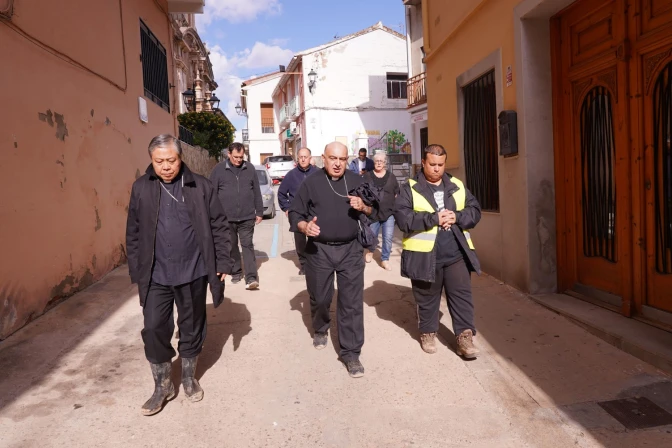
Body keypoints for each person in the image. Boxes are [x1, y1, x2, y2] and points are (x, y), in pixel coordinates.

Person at [126, 134, 232, 416]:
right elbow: (133, 232)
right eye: (159, 161)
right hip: (156, 273)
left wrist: (222, 261)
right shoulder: (141, 188)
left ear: (180, 158)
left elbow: (220, 226)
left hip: (193, 270)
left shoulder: (201, 186)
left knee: (192, 325)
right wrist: (137, 268)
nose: (166, 167)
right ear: (151, 160)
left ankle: (187, 377)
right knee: (153, 328)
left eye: (171, 160)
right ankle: (162, 386)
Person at [289, 141, 374, 378]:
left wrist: (364, 207)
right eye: (333, 158)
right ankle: (320, 327)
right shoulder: (311, 183)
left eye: (342, 159)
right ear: (323, 158)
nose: (337, 164)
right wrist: (304, 225)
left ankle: (352, 353)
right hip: (319, 251)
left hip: (350, 250)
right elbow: (295, 212)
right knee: (320, 296)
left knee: (351, 303)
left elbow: (376, 209)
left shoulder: (357, 181)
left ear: (348, 161)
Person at [394, 144, 482, 358]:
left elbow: (475, 210)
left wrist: (457, 217)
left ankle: (465, 337)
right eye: (432, 164)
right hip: (424, 255)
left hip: (456, 254)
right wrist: (433, 218)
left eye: (440, 165)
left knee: (461, 296)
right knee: (427, 297)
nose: (436, 169)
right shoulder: (410, 188)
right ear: (423, 163)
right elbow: (402, 218)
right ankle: (428, 332)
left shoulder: (457, 185)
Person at [210, 142, 263, 290]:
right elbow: (211, 194)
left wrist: (259, 211)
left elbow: (256, 191)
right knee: (231, 246)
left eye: (241, 157)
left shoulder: (250, 168)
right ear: (228, 154)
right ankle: (236, 272)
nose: (238, 160)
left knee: (247, 245)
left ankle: (251, 277)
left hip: (247, 216)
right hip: (226, 218)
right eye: (235, 157)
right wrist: (212, 214)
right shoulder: (218, 170)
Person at [278, 147, 319, 275]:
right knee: (300, 240)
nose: (302, 159)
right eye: (300, 157)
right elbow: (281, 193)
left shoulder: (318, 173)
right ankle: (304, 265)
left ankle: (316, 262)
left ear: (310, 158)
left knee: (315, 237)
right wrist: (287, 208)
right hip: (297, 213)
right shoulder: (291, 175)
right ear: (297, 158)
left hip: (314, 211)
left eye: (305, 157)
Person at [363, 151, 400, 271]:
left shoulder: (391, 176)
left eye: (381, 161)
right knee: (372, 235)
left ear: (385, 163)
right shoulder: (368, 176)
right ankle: (370, 250)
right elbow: (362, 191)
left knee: (388, 237)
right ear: (374, 162)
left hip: (388, 212)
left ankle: (385, 259)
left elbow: (396, 193)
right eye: (377, 161)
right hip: (373, 212)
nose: (379, 163)